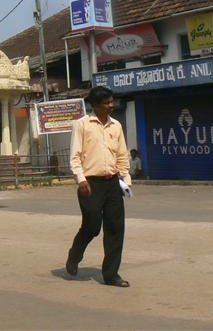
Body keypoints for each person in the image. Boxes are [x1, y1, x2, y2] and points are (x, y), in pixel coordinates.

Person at [66, 86, 132, 288]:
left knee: (115, 228)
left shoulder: (116, 126)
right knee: (92, 226)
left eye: (112, 102)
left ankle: (111, 275)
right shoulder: (82, 125)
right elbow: (75, 155)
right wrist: (80, 179)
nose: (111, 106)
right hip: (90, 184)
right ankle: (74, 254)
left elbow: (122, 155)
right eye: (107, 103)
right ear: (95, 105)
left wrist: (126, 180)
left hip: (112, 183)